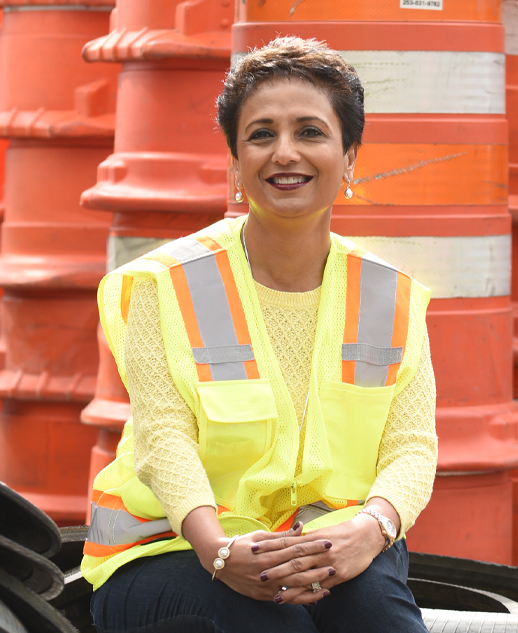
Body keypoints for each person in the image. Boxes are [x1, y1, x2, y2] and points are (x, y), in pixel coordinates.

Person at [83, 36, 437, 633]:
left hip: (331, 543)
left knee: (379, 616)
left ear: (349, 157)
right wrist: (217, 550)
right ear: (235, 161)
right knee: (274, 626)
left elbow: (412, 447)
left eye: (310, 132)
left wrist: (371, 529)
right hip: (170, 550)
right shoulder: (162, 286)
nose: (285, 153)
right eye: (262, 134)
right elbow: (162, 437)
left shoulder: (389, 296)